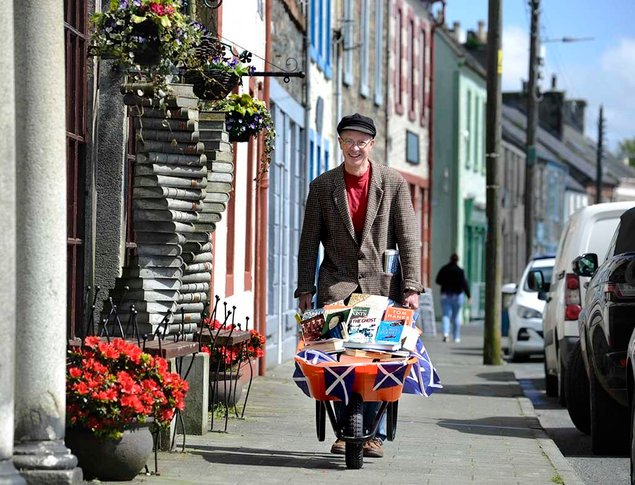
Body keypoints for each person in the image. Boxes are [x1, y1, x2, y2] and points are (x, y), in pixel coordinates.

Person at [295, 113, 424, 458]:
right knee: (336, 361)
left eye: (361, 141)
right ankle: (345, 429)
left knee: (380, 360)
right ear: (339, 143)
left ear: (371, 144)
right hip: (337, 286)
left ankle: (373, 433)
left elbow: (409, 239)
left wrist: (411, 287)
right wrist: (305, 288)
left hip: (384, 288)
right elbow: (309, 243)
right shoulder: (322, 187)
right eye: (348, 140)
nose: (355, 147)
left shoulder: (393, 183)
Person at [435, 253, 471, 343]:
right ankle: (456, 337)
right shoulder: (460, 271)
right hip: (457, 295)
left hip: (445, 294)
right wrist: (469, 295)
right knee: (456, 316)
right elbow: (464, 284)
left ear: (450, 259)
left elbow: (437, 280)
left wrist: (445, 284)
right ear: (457, 260)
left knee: (446, 315)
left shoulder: (444, 269)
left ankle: (446, 334)